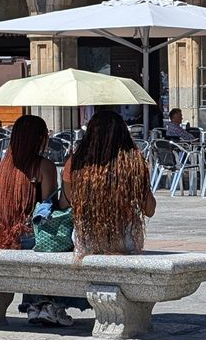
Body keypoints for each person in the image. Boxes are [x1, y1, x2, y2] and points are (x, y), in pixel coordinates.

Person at [0, 115, 82, 327]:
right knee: (63, 241)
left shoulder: (4, 167)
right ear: (39, 138)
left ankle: (34, 305)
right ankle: (50, 304)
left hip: (6, 235)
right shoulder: (44, 166)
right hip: (31, 236)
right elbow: (49, 207)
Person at [64, 110, 156, 257]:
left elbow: (69, 202)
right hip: (125, 240)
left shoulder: (75, 163)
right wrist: (143, 181)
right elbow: (149, 210)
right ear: (123, 134)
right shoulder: (134, 164)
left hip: (86, 239)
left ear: (91, 134)